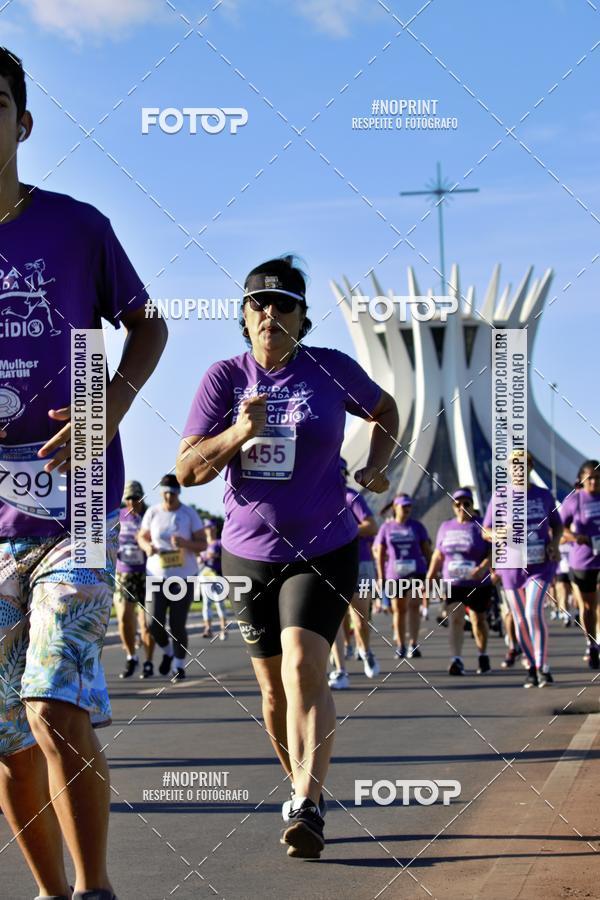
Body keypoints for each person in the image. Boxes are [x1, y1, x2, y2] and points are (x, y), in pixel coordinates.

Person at [0, 48, 167, 900]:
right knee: (5, 737)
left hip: (77, 503)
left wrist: (104, 410)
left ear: (21, 123)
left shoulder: (75, 226)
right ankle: (51, 891)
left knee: (51, 704)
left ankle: (95, 889)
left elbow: (148, 326)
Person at [176, 255, 398, 859]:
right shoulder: (224, 379)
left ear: (303, 317)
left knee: (304, 666)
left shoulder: (331, 370)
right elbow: (187, 471)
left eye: (284, 305)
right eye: (258, 304)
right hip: (247, 554)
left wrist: (377, 466)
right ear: (243, 317)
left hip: (325, 543)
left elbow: (387, 411)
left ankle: (307, 802)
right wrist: (234, 435)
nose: (270, 314)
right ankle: (300, 780)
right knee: (274, 693)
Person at [483, 451, 562, 688]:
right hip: (511, 567)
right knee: (519, 619)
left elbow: (558, 525)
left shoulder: (543, 496)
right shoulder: (500, 497)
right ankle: (530, 666)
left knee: (533, 612)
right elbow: (484, 530)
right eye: (513, 465)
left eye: (523, 464)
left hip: (539, 565)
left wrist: (555, 545)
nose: (518, 469)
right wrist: (497, 534)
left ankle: (543, 665)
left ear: (530, 467)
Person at [137, 474, 205, 680]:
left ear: (178, 493)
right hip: (156, 574)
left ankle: (178, 665)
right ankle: (167, 652)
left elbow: (203, 544)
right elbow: (142, 536)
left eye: (173, 494)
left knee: (177, 624)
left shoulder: (189, 514)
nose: (169, 498)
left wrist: (186, 544)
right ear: (161, 493)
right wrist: (147, 546)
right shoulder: (153, 512)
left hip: (183, 576)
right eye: (165, 493)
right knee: (152, 622)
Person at [426, 488, 492, 675]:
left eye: (466, 504)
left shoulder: (481, 526)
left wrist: (483, 568)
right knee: (455, 618)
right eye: (457, 504)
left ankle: (483, 654)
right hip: (453, 583)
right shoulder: (446, 527)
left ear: (472, 506)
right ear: (453, 507)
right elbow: (438, 555)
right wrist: (430, 578)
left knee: (478, 621)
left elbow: (493, 551)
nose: (462, 507)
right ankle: (456, 660)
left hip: (477, 582)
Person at [328, 458, 380, 689]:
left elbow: (371, 526)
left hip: (360, 562)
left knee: (359, 619)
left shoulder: (351, 497)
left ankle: (365, 650)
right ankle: (340, 671)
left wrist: (343, 531)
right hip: (329, 563)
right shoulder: (319, 501)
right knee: (333, 620)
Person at [373, 494, 431, 659]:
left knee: (413, 605)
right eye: (403, 506)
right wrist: (381, 576)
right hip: (395, 573)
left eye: (409, 506)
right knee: (399, 609)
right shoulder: (386, 528)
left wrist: (431, 572)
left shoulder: (417, 526)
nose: (407, 509)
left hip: (416, 571)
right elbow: (380, 552)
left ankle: (413, 644)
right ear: (395, 508)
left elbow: (426, 549)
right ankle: (401, 645)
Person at [559, 460, 600, 668]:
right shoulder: (574, 502)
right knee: (587, 607)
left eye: (597, 478)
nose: (593, 481)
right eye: (589, 478)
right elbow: (559, 528)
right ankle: (591, 644)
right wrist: (575, 537)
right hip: (583, 561)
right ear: (582, 479)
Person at [114, 480, 154, 678]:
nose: (132, 502)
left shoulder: (149, 517)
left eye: (135, 498)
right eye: (128, 498)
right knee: (123, 618)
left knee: (147, 622)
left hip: (147, 574)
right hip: (124, 573)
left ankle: (148, 661)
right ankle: (131, 657)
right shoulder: (118, 516)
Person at [199, 518, 227, 640]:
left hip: (218, 577)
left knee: (219, 604)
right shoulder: (202, 544)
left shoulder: (220, 542)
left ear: (215, 528)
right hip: (206, 577)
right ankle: (208, 628)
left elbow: (226, 556)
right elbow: (198, 558)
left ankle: (223, 630)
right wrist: (200, 558)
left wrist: (216, 555)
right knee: (206, 604)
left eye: (211, 527)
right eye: (206, 527)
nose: (209, 530)